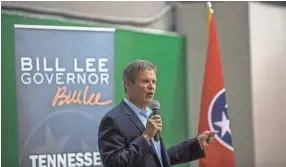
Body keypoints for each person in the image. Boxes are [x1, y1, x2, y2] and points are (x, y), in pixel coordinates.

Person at [98, 59, 217, 167]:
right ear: (127, 83)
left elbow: (158, 159)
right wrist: (146, 137)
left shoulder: (149, 116)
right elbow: (113, 163)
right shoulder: (113, 119)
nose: (151, 87)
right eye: (145, 81)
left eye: (154, 82)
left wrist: (197, 144)